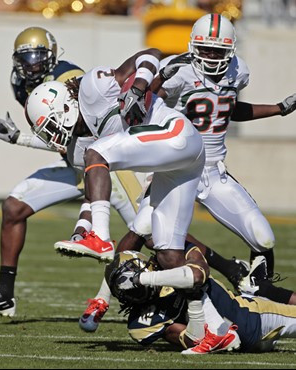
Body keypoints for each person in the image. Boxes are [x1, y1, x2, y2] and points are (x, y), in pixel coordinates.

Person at [25, 49, 243, 353]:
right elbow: (91, 194)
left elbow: (150, 54)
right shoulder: (78, 148)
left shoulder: (94, 87)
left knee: (97, 155)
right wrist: (79, 230)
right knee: (169, 256)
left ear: (63, 107)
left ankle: (101, 238)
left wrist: (139, 87)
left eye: (51, 126)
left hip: (179, 135)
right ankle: (216, 329)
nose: (54, 137)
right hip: (174, 167)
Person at [0, 27, 147, 318]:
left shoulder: (68, 80)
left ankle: (221, 273)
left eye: (37, 57)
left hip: (107, 170)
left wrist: (19, 139)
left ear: (52, 56)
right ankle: (4, 292)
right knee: (13, 207)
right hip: (76, 167)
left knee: (152, 236)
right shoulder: (22, 85)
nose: (31, 65)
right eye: (24, 59)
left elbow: (77, 141)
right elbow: (59, 141)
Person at [149, 13, 296, 281]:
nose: (212, 56)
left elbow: (226, 110)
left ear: (230, 50)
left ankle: (260, 292)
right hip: (174, 169)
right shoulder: (178, 70)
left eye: (219, 51)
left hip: (213, 172)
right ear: (193, 45)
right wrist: (157, 81)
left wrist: (278, 109)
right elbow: (146, 106)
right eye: (206, 49)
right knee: (146, 232)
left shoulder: (237, 71)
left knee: (263, 239)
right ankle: (111, 292)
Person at [106, 250, 296, 354]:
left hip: (253, 317)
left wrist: (180, 284)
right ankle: (254, 286)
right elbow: (193, 339)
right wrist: (192, 299)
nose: (131, 289)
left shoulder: (174, 261)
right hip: (244, 342)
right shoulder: (140, 323)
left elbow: (196, 276)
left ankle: (256, 288)